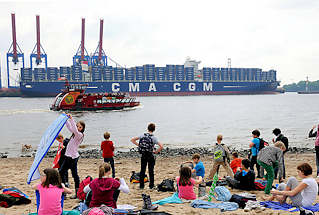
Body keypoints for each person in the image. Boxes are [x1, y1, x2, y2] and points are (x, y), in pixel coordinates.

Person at [59, 113, 85, 199]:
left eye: (80, 127)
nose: (78, 128)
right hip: (72, 156)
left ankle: (64, 192)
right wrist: (66, 119)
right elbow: (70, 127)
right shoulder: (74, 133)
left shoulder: (79, 135)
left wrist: (71, 118)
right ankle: (77, 193)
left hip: (71, 157)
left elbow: (73, 128)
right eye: (77, 126)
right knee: (74, 174)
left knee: (61, 173)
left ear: (82, 129)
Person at [131, 123, 163, 189]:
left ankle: (141, 185)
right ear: (154, 129)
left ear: (147, 128)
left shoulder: (142, 135)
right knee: (151, 170)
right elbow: (161, 146)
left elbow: (132, 140)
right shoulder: (154, 138)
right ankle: (151, 185)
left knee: (142, 170)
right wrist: (156, 151)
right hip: (150, 155)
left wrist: (139, 145)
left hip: (143, 154)